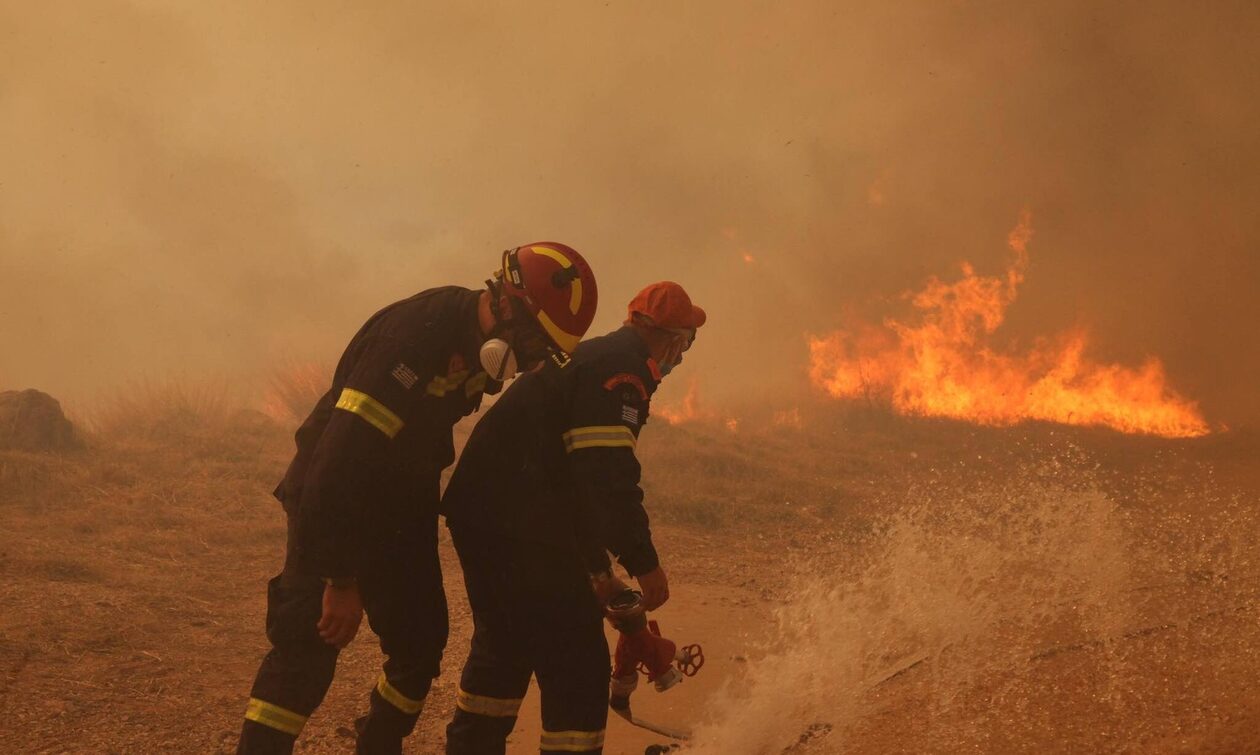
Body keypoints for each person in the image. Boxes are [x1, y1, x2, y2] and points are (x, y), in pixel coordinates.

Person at [236, 243, 598, 755]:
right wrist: (341, 579)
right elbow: (340, 462)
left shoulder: (481, 345)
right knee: (308, 646)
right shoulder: (411, 340)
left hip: (400, 504)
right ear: (509, 307)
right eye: (536, 345)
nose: (529, 364)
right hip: (333, 496)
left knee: (419, 645)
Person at [441, 281, 706, 754]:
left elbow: (573, 483)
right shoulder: (622, 372)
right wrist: (644, 563)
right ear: (669, 338)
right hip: (520, 523)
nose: (682, 357)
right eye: (686, 343)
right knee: (578, 665)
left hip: (490, 515)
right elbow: (606, 479)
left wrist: (601, 574)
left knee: (504, 645)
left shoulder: (591, 356)